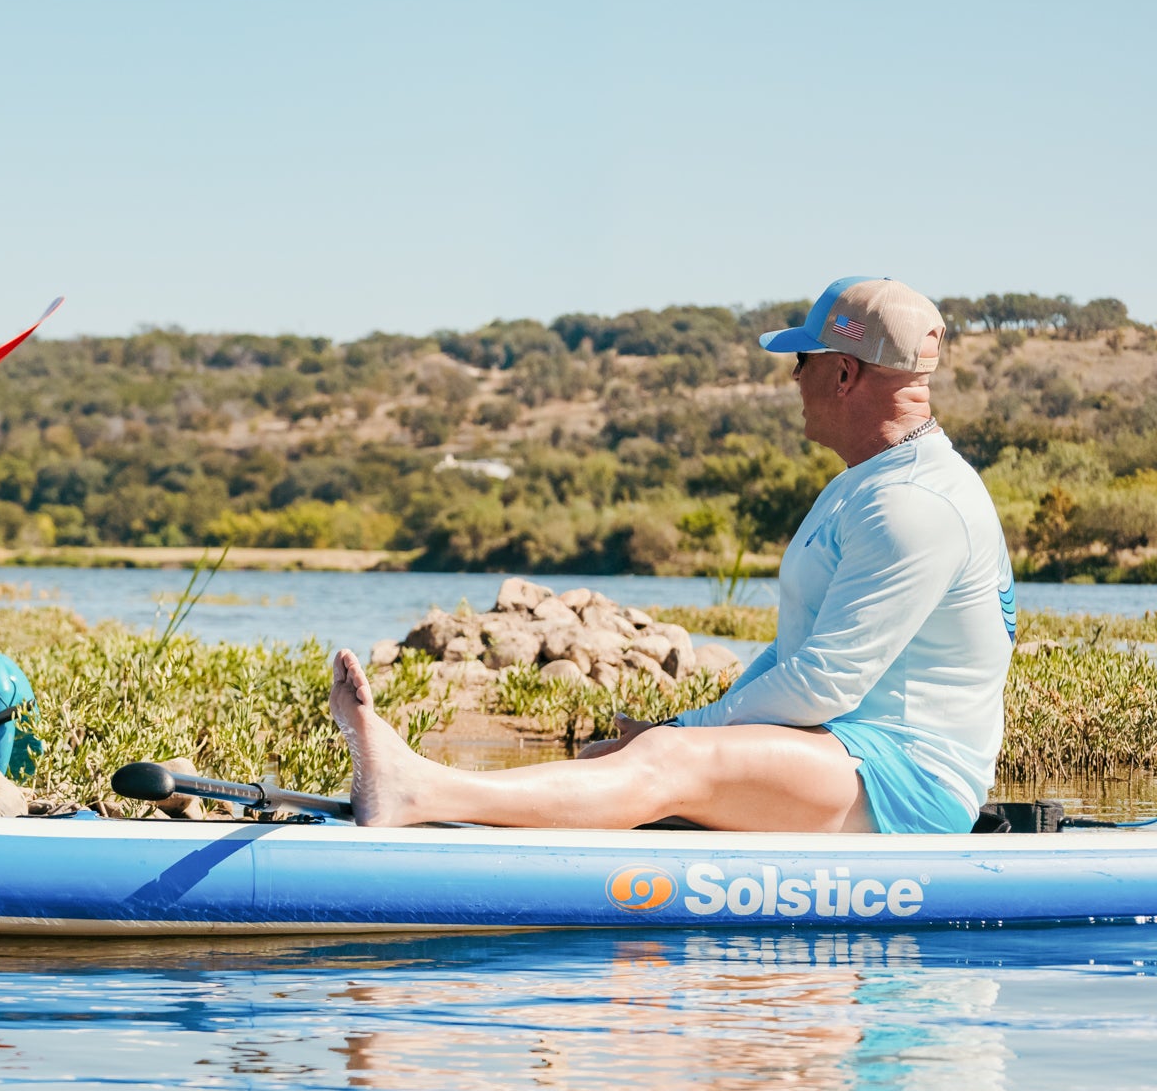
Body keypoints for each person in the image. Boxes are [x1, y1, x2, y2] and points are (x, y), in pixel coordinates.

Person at [331, 276, 1015, 834]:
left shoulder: (914, 505)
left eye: (801, 362)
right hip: (839, 757)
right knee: (656, 758)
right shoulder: (862, 485)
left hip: (906, 785)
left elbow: (821, 687)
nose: (792, 380)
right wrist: (686, 733)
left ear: (842, 373)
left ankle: (418, 790)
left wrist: (680, 734)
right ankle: (443, 800)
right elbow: (794, 653)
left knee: (665, 759)